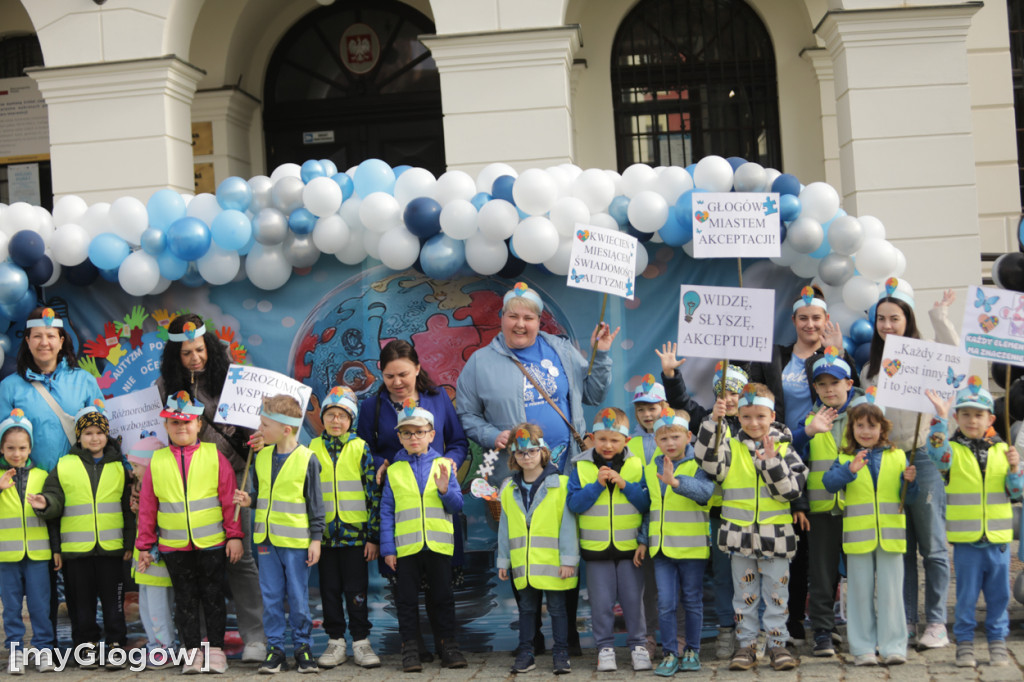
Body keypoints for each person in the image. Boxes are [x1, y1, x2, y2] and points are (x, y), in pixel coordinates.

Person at [457, 282, 618, 656]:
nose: (520, 323)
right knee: (522, 549)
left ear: (538, 320)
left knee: (565, 547)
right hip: (517, 476)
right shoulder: (480, 362)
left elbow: (593, 394)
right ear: (500, 319)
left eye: (528, 317)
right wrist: (491, 434)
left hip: (565, 471)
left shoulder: (561, 350)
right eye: (512, 315)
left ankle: (569, 637)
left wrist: (602, 355)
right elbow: (465, 414)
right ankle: (531, 639)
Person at [747, 286, 854, 648]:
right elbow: (749, 391)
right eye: (803, 318)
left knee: (828, 548)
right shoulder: (775, 356)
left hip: (824, 457)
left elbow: (847, 396)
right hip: (782, 455)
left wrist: (840, 351)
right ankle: (791, 623)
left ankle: (828, 620)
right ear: (793, 320)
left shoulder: (831, 359)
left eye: (817, 318)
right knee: (795, 547)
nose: (810, 324)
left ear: (825, 321)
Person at [157, 313, 266, 661]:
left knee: (241, 560)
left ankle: (254, 639)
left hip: (234, 479)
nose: (195, 358)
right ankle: (201, 644)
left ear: (210, 347)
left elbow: (254, 425)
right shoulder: (166, 386)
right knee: (195, 564)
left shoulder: (234, 377)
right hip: (190, 487)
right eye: (186, 353)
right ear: (176, 356)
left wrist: (260, 437)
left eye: (200, 350)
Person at [355, 339, 466, 661]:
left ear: (418, 368)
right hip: (400, 506)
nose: (398, 382)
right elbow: (364, 451)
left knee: (441, 586)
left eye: (403, 374)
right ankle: (412, 647)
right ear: (381, 374)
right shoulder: (373, 408)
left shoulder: (438, 398)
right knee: (405, 587)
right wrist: (382, 465)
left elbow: (458, 441)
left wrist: (450, 464)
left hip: (439, 500)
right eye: (390, 376)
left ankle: (447, 644)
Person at [862, 279, 957, 648]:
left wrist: (940, 315)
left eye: (895, 318)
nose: (887, 325)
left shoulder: (927, 352)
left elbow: (953, 351)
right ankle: (906, 618)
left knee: (932, 544)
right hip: (891, 460)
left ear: (907, 319)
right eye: (881, 319)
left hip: (925, 455)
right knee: (899, 545)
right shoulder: (871, 368)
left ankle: (936, 621)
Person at [695, 384, 806, 672]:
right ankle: (746, 646)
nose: (753, 423)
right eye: (746, 417)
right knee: (743, 596)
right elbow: (708, 464)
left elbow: (792, 491)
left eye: (760, 416)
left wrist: (771, 464)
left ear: (772, 415)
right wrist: (712, 422)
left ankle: (777, 645)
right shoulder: (729, 447)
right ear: (738, 416)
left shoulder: (785, 449)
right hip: (739, 537)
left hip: (776, 538)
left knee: (776, 595)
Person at [135, 392, 244, 674]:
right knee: (185, 600)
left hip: (212, 544)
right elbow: (147, 507)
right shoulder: (157, 462)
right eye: (174, 423)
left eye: (187, 422)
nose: (181, 428)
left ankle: (216, 650)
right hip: (174, 547)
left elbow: (229, 497)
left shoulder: (214, 456)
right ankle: (193, 652)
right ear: (167, 426)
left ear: (198, 425)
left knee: (213, 597)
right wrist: (145, 545)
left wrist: (234, 536)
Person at [925, 379, 1023, 668]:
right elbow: (935, 451)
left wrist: (1015, 470)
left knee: (999, 596)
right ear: (957, 417)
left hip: (998, 540)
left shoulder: (1003, 450)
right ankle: (964, 643)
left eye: (978, 414)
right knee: (966, 597)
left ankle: (997, 643)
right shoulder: (951, 451)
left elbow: (1016, 493)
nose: (971, 420)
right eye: (965, 414)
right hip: (967, 540)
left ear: (990, 419)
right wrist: (940, 419)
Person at [662, 348, 749, 660]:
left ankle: (753, 631)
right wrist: (672, 375)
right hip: (718, 514)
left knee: (753, 575)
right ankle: (727, 628)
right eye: (722, 392)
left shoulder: (753, 424)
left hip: (753, 515)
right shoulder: (704, 421)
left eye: (735, 392)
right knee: (724, 576)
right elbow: (681, 404)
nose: (728, 398)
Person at [33, 401, 132, 669]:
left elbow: (128, 508)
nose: (94, 437)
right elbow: (54, 499)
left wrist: (130, 543)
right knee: (81, 605)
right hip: (76, 552)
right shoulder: (65, 465)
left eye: (99, 432)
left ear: (107, 434)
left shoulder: (119, 466)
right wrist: (46, 504)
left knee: (114, 604)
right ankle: (85, 648)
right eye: (87, 432)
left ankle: (115, 646)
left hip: (112, 550)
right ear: (79, 436)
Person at [822, 397, 916, 666]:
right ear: (851, 428)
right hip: (858, 538)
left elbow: (908, 498)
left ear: (882, 428)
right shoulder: (843, 458)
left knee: (891, 595)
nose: (865, 431)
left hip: (891, 537)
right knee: (860, 595)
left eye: (872, 426)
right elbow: (829, 483)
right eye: (860, 425)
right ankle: (863, 648)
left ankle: (893, 646)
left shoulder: (899, 456)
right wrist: (849, 471)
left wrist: (911, 482)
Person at [234, 394, 324, 675]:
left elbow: (315, 504)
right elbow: (264, 494)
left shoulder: (308, 459)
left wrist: (316, 539)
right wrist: (250, 499)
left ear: (286, 429)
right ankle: (275, 649)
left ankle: (303, 648)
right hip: (265, 541)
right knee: (271, 598)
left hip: (296, 543)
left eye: (265, 425)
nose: (259, 430)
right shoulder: (261, 457)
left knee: (298, 598)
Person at [380, 402, 467, 672]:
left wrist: (444, 490)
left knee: (442, 596)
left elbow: (457, 507)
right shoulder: (394, 471)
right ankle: (411, 648)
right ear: (399, 437)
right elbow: (386, 512)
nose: (413, 438)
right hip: (406, 548)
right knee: (406, 600)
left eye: (419, 432)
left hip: (439, 546)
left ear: (431, 434)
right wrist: (388, 549)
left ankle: (448, 645)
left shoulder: (444, 466)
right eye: (406, 433)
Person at [789, 348, 862, 657]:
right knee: (821, 573)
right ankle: (822, 630)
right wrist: (800, 504)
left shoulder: (863, 417)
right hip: (821, 510)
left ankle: (862, 629)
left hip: (860, 509)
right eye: (822, 384)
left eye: (835, 382)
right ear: (815, 388)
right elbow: (794, 461)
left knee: (860, 572)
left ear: (849, 383)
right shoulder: (809, 420)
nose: (829, 389)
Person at [567, 407, 651, 673]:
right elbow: (574, 504)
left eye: (614, 440)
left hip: (630, 549)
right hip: (595, 550)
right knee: (601, 603)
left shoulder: (636, 465)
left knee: (632, 602)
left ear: (625, 441)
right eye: (602, 439)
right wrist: (596, 486)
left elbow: (647, 503)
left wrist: (626, 485)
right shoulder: (580, 466)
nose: (608, 445)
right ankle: (604, 648)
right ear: (591, 438)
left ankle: (638, 645)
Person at [497, 424, 577, 676]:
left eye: (532, 451)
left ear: (543, 452)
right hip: (524, 564)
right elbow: (504, 527)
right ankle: (526, 652)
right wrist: (503, 560)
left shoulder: (561, 485)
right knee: (527, 609)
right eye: (520, 453)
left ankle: (561, 652)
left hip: (553, 563)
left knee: (557, 609)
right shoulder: (509, 489)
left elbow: (568, 525)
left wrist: (568, 560)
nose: (526, 457)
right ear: (513, 456)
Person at [639, 408, 714, 676]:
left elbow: (706, 493)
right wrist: (642, 539)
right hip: (661, 549)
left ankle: (691, 650)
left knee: (692, 601)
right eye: (663, 438)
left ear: (689, 436)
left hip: (692, 548)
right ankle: (670, 653)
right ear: (656, 441)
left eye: (675, 436)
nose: (670, 443)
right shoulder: (650, 469)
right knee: (666, 603)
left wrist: (676, 482)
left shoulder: (702, 464)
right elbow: (651, 508)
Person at [310, 387, 381, 669]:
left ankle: (361, 641)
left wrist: (373, 537)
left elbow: (372, 494)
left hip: (355, 539)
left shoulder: (360, 448)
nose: (336, 421)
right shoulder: (311, 450)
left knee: (356, 590)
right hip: (324, 539)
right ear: (322, 418)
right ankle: (335, 641)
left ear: (351, 419)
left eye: (342, 415)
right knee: (329, 590)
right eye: (330, 415)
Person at [0, 307, 103, 472]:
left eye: (50, 336)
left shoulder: (85, 381)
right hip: (31, 487)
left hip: (79, 483)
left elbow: (103, 432)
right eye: (37, 336)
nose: (44, 343)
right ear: (27, 340)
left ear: (61, 341)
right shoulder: (8, 387)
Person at [0, 410, 56, 674]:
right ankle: (15, 653)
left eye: (22, 448)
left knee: (39, 605)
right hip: (6, 557)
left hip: (37, 555)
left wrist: (45, 505)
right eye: (10, 448)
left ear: (30, 448)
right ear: (2, 448)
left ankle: (43, 651)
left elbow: (54, 514)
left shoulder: (43, 476)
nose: (17, 454)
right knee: (11, 608)